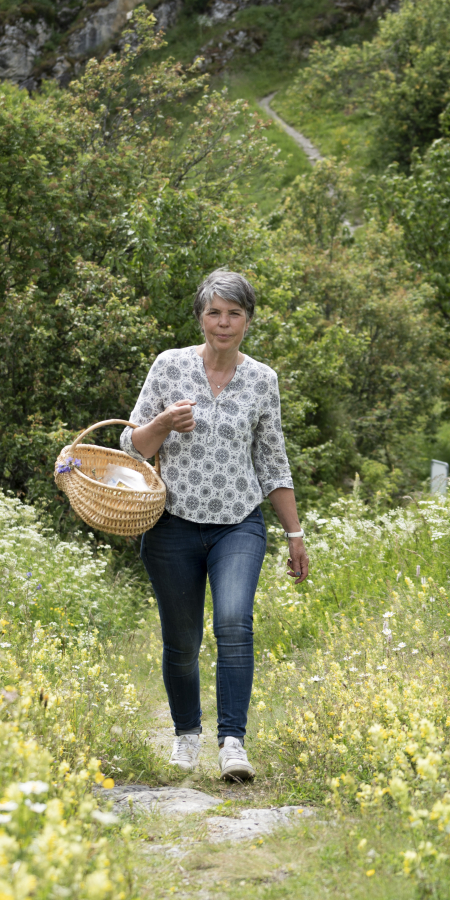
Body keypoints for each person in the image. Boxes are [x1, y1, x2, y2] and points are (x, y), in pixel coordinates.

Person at [120, 269, 309, 780]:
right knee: (181, 641)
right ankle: (186, 736)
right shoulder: (169, 366)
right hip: (171, 526)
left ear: (248, 319)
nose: (223, 323)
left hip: (237, 525)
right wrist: (161, 424)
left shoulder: (262, 379)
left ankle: (232, 743)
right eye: (214, 313)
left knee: (233, 623)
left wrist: (294, 534)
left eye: (234, 314)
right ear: (201, 317)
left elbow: (273, 463)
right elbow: (130, 448)